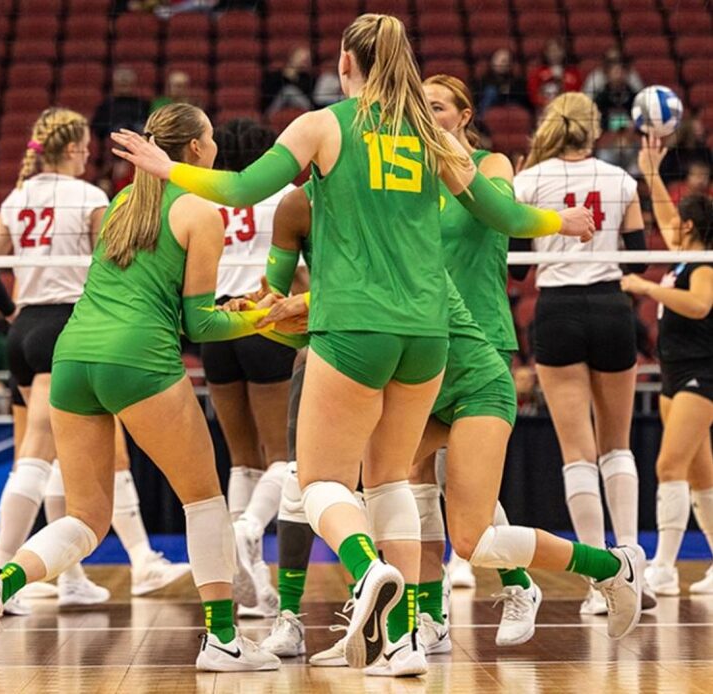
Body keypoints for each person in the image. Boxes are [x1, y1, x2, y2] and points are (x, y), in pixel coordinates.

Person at [110, 13, 597, 672]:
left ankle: (369, 573)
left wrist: (168, 168)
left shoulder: (324, 124)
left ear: (345, 62)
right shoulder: (433, 135)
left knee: (318, 482)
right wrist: (559, 222)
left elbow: (243, 187)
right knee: (391, 478)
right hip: (430, 333)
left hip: (354, 327)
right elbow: (502, 216)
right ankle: (401, 640)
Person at [0, 103, 293, 673]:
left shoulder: (118, 206)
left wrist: (238, 312)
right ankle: (224, 641)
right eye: (208, 137)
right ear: (195, 150)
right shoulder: (201, 210)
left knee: (85, 517)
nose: (214, 146)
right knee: (204, 499)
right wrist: (264, 318)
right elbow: (201, 325)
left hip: (73, 356)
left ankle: (0, 582)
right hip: (137, 358)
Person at [514, 91, 647, 615]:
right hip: (612, 307)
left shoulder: (529, 180)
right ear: (595, 130)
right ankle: (633, 559)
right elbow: (636, 260)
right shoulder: (621, 180)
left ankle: (601, 583)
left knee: (578, 451)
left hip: (559, 312)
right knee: (618, 446)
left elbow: (518, 270)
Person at [0, 107, 113, 610]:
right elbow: (106, 269)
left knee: (63, 457)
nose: (89, 155)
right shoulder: (90, 196)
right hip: (65, 327)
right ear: (75, 148)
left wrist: (12, 313)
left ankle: (71, 575)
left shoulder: (18, 197)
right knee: (36, 452)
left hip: (26, 328)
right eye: (86, 148)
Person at [199, 119, 296, 618]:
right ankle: (250, 530)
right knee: (284, 454)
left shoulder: (208, 203)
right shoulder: (279, 199)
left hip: (216, 323)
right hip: (263, 318)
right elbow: (297, 268)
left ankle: (254, 585)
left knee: (241, 460)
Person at [624, 135, 713, 596]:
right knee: (701, 477)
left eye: (681, 219)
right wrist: (652, 173)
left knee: (668, 466)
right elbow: (661, 214)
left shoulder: (703, 266)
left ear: (694, 224)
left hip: (703, 375)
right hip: (674, 374)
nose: (671, 224)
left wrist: (646, 287)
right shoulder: (683, 258)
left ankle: (663, 566)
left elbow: (700, 306)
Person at [91, 67, 151, 141]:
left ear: (133, 84)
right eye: (121, 84)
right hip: (115, 136)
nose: (124, 86)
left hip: (138, 135)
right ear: (114, 84)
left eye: (126, 84)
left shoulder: (143, 104)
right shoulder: (106, 105)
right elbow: (98, 127)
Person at [526, 38, 583, 111]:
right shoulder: (537, 73)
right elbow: (533, 94)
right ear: (545, 53)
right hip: (544, 109)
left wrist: (561, 80)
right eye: (551, 51)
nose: (554, 54)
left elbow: (577, 93)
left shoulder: (573, 73)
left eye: (557, 50)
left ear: (563, 52)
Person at [473, 48, 531, 117]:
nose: (502, 63)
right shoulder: (483, 79)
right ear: (493, 61)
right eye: (499, 60)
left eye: (505, 61)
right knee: (491, 92)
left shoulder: (516, 80)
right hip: (489, 108)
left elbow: (521, 97)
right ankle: (479, 119)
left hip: (509, 105)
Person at [261, 45, 315, 115]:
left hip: (301, 110)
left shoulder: (307, 79)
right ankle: (268, 117)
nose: (304, 60)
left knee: (290, 91)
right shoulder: (275, 76)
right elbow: (268, 95)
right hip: (275, 108)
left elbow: (308, 98)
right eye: (301, 56)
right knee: (288, 91)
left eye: (307, 59)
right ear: (292, 57)